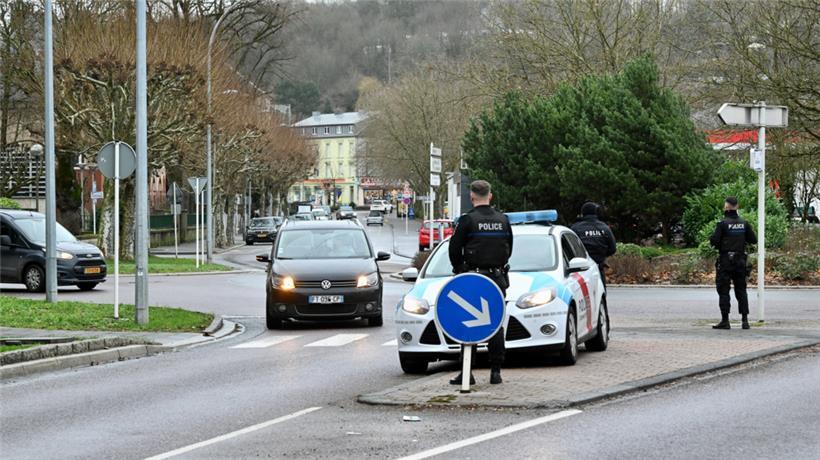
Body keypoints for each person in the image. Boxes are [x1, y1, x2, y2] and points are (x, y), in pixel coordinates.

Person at [448, 180, 513, 385]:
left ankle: (467, 371)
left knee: (469, 323)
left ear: (472, 197)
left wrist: (459, 270)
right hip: (496, 278)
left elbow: (453, 249)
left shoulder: (467, 221)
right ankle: (496, 372)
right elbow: (509, 248)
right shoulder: (503, 220)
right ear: (490, 196)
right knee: (495, 323)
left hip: (473, 278)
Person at [709, 196, 757, 330]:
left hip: (725, 261)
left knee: (723, 290)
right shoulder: (744, 223)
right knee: (741, 290)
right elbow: (753, 240)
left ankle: (725, 320)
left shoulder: (722, 223)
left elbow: (714, 241)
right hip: (740, 261)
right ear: (737, 207)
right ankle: (745, 321)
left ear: (726, 207)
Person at [571, 202, 616, 287]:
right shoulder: (604, 228)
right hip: (599, 267)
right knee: (600, 295)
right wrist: (601, 256)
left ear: (582, 213)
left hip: (581, 270)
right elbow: (612, 249)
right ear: (596, 212)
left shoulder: (575, 228)